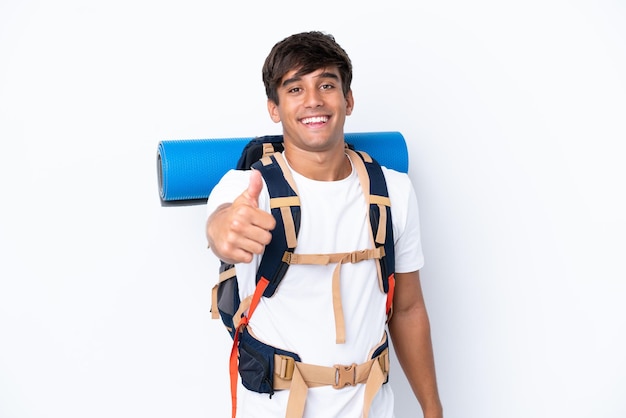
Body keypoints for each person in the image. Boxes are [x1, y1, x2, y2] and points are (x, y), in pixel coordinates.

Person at [206, 31, 443, 418]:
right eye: (295, 89)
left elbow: (408, 309)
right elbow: (220, 224)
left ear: (348, 101)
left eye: (327, 84)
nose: (313, 100)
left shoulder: (394, 192)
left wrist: (432, 408)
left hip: (372, 408)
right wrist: (224, 230)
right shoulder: (250, 188)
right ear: (274, 108)